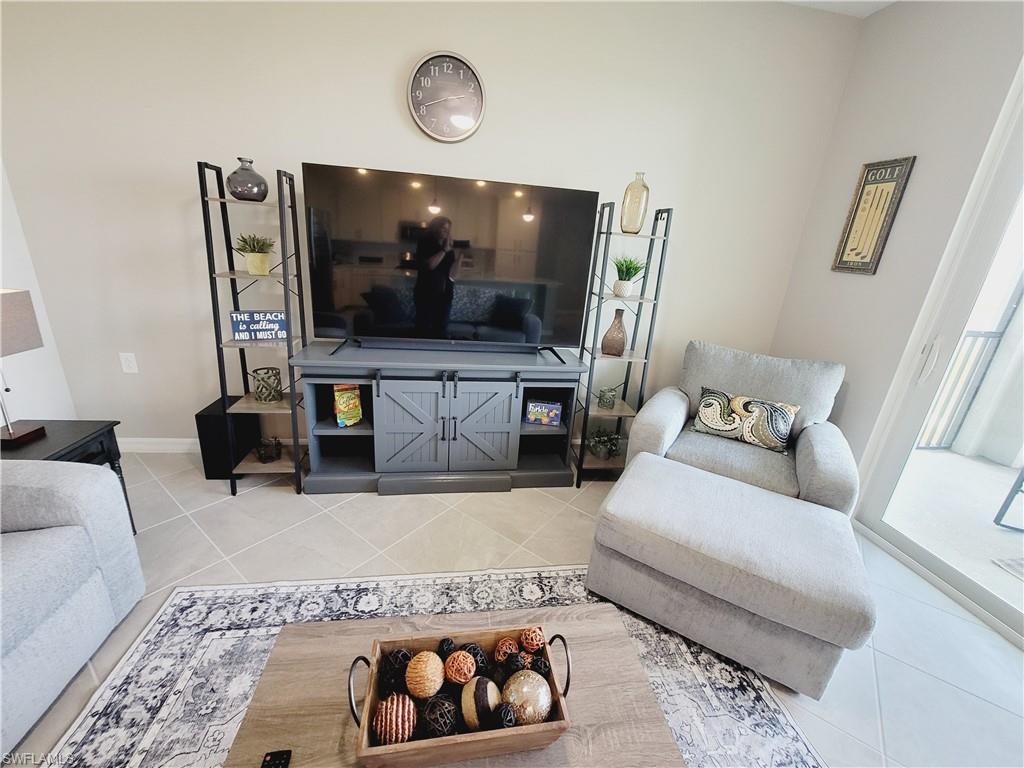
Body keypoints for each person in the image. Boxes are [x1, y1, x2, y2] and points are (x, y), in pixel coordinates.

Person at [414, 216, 461, 338]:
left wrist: (460, 257)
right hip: (426, 294)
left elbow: (452, 275)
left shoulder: (448, 248)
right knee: (424, 331)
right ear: (435, 229)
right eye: (443, 228)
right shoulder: (425, 243)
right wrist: (444, 250)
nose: (447, 232)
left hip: (445, 295)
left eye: (448, 229)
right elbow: (430, 266)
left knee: (441, 331)